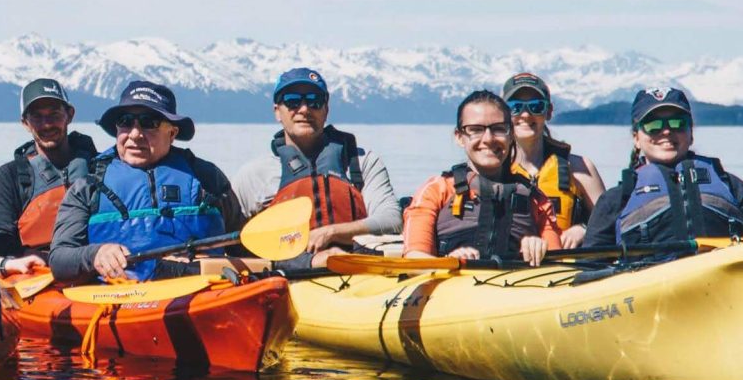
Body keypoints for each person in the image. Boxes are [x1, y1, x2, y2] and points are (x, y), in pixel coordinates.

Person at [47, 81, 247, 282]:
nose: (135, 134)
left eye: (149, 122)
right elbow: (59, 259)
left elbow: (245, 245)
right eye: (125, 121)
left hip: (201, 298)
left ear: (172, 133)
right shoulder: (89, 185)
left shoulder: (207, 179)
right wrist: (95, 254)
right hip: (119, 302)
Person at [230, 68, 401, 262]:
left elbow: (392, 221)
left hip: (356, 268)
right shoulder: (254, 175)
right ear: (277, 111)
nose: (304, 109)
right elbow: (233, 242)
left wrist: (331, 232)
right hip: (289, 276)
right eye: (292, 101)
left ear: (326, 109)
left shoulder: (361, 163)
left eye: (314, 100)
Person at [581, 88, 743, 248]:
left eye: (677, 123)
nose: (666, 131)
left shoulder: (732, 187)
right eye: (653, 125)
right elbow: (590, 265)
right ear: (636, 138)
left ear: (691, 133)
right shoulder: (616, 199)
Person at [402, 91, 561, 265]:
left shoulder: (536, 199)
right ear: (459, 137)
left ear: (511, 135)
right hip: (451, 284)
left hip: (518, 285)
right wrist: (450, 262)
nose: (488, 139)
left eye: (499, 129)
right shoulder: (436, 190)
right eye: (475, 130)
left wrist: (541, 249)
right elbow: (413, 258)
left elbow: (560, 265)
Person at [0, 77, 97, 272]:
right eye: (37, 116)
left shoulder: (98, 166)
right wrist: (21, 257)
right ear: (25, 123)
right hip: (36, 273)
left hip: (93, 265)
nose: (46, 124)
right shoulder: (10, 176)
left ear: (69, 115)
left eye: (54, 114)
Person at [501, 72, 606, 249]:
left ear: (548, 112)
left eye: (536, 106)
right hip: (510, 269)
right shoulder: (494, 170)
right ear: (503, 113)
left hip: (565, 268)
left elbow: (610, 222)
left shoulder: (579, 168)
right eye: (515, 107)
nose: (525, 115)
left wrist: (584, 229)